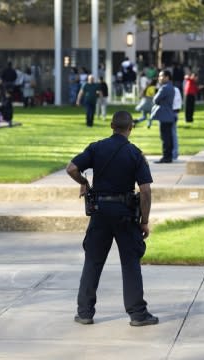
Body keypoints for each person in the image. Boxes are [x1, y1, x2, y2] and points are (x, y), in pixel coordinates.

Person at [65, 110, 158, 327]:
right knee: (130, 263)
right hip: (125, 214)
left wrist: (85, 183)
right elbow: (145, 190)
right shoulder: (135, 153)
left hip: (100, 212)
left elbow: (71, 168)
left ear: (111, 126)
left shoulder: (96, 147)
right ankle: (137, 314)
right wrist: (144, 220)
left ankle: (85, 312)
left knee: (93, 262)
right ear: (131, 128)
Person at [150, 70, 175, 163]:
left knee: (165, 138)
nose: (159, 78)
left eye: (161, 76)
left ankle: (166, 157)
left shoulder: (164, 88)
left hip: (164, 115)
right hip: (169, 115)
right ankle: (169, 156)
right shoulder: (171, 87)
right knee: (169, 136)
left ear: (167, 77)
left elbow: (155, 100)